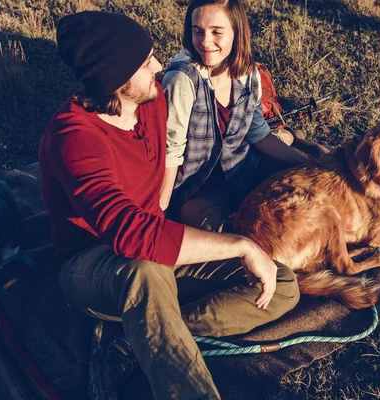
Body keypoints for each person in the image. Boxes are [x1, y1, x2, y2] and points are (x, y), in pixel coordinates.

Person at [38, 11, 300, 400]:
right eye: (146, 64)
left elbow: (216, 130)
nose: (159, 68)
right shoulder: (74, 137)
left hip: (156, 254)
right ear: (116, 78)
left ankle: (144, 335)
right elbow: (128, 233)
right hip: (93, 262)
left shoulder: (152, 100)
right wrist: (242, 245)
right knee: (143, 270)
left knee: (281, 284)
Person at [161, 0, 315, 231]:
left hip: (243, 172)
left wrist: (308, 164)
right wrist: (160, 211)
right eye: (197, 31)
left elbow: (258, 134)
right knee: (233, 234)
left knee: (303, 198)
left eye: (216, 32)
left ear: (236, 32)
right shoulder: (183, 79)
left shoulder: (247, 73)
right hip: (196, 189)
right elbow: (170, 153)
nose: (205, 42)